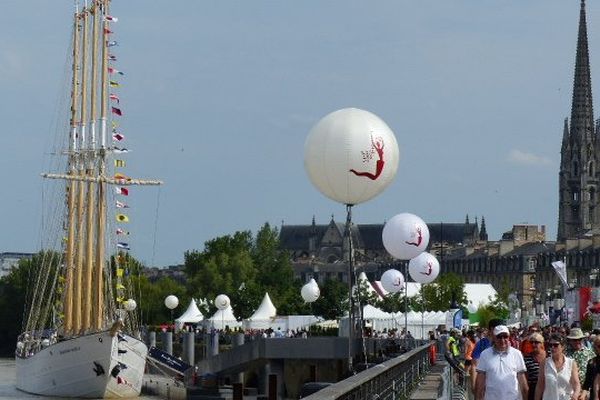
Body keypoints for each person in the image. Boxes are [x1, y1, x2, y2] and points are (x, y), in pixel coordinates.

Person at [475, 325, 528, 400]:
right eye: (499, 337)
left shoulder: (517, 354)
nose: (502, 340)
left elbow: (523, 383)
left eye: (505, 336)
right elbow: (480, 383)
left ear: (509, 337)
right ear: (494, 338)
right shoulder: (485, 354)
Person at [534, 333, 580, 400]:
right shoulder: (544, 363)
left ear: (563, 346)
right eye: (551, 345)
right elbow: (540, 386)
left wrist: (575, 395)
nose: (552, 347)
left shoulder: (571, 363)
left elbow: (576, 384)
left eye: (555, 345)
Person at [524, 332, 546, 400]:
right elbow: (525, 379)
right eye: (531, 342)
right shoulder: (527, 358)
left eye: (536, 342)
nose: (533, 344)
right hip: (533, 390)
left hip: (548, 389)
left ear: (541, 343)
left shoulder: (549, 356)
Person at [581, 336, 600, 400]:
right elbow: (587, 384)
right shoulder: (591, 363)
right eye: (599, 346)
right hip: (595, 396)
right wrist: (582, 396)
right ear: (595, 348)